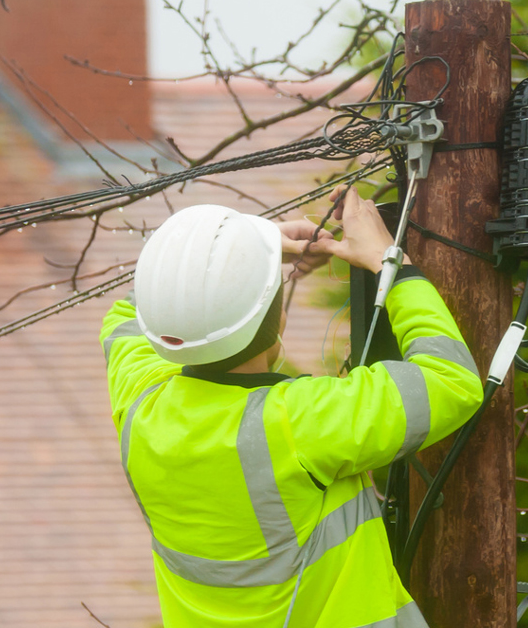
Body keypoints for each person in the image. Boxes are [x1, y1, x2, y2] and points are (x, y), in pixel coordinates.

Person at [100, 188, 484, 627]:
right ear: (275, 316)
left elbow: (129, 315)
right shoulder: (299, 422)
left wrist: (241, 253)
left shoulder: (140, 405)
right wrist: (388, 262)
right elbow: (450, 381)